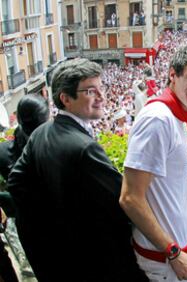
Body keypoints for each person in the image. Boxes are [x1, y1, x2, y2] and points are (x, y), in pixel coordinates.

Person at [7, 58, 148, 282]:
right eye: (91, 91)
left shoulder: (40, 133)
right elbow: (125, 200)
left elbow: (16, 184)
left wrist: (50, 227)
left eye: (101, 88)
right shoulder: (85, 148)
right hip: (92, 264)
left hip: (54, 261)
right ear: (65, 98)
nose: (101, 96)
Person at [120, 44, 187, 281]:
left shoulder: (173, 116)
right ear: (172, 75)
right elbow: (130, 198)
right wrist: (173, 252)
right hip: (165, 261)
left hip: (175, 255)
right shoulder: (158, 120)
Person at [0, 94, 49, 282]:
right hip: (47, 225)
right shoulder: (56, 145)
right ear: (46, 118)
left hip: (26, 226)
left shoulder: (4, 152)